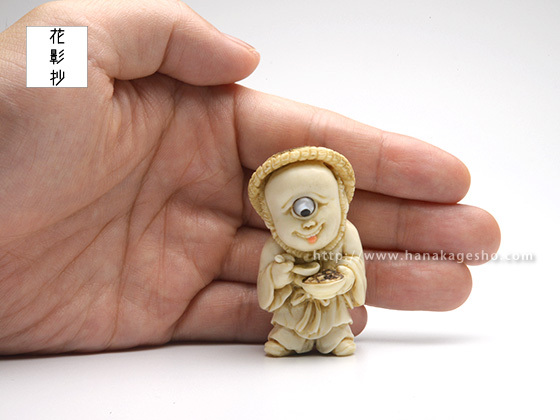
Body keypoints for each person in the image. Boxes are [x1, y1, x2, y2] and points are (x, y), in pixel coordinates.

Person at [0, 0, 500, 355]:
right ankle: (290, 338)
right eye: (295, 212)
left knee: (337, 331)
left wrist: (345, 277)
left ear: (343, 205)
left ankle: (333, 337)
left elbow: (356, 279)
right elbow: (265, 295)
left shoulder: (346, 235)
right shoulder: (274, 249)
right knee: (285, 333)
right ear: (271, 222)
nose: (309, 222)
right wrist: (57, 36)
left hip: (330, 315)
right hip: (291, 316)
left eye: (318, 206)